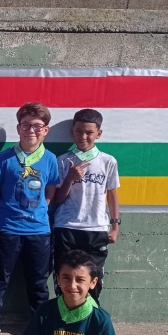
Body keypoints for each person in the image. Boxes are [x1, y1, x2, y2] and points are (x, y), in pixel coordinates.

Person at [0, 102, 61, 335]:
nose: (31, 130)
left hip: (39, 232)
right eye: (25, 125)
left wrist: (38, 213)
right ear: (18, 128)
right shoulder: (5, 158)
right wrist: (1, 216)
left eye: (37, 126)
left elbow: (51, 192)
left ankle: (40, 327)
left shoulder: (50, 160)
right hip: (7, 229)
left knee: (38, 283)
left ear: (46, 130)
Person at [52, 108, 121, 300]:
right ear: (72, 132)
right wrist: (70, 178)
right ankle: (64, 316)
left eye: (89, 132)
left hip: (96, 229)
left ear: (98, 133)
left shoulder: (108, 161)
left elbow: (112, 194)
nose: (83, 136)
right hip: (67, 227)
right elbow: (58, 199)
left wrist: (115, 227)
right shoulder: (63, 161)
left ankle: (90, 316)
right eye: (79, 131)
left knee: (93, 281)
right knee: (65, 280)